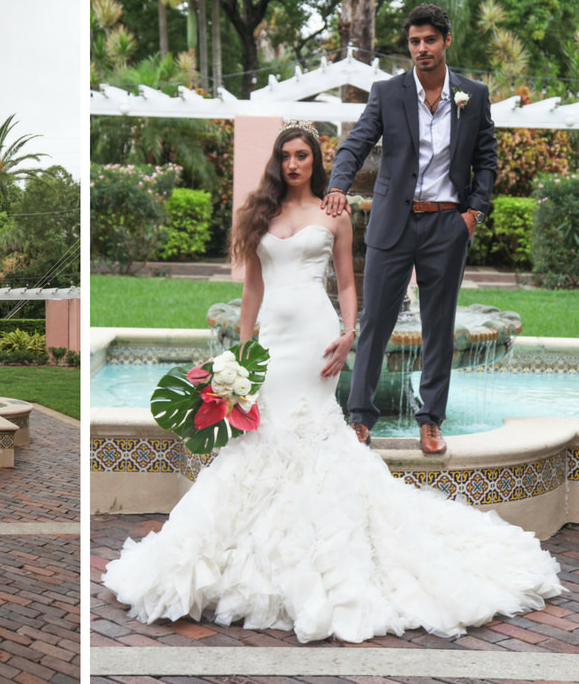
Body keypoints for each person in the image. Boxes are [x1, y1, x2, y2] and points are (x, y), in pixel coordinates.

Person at [101, 122, 560, 644]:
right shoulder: (259, 214)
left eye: (302, 156)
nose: (294, 164)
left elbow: (345, 281)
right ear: (277, 161)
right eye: (286, 156)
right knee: (260, 440)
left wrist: (349, 335)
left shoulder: (334, 213)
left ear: (315, 163)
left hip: (317, 342)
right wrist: (241, 354)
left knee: (313, 436)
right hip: (272, 343)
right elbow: (251, 289)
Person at [323, 4, 498, 455]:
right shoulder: (388, 92)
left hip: (447, 224)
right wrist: (339, 183)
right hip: (392, 225)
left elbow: (487, 161)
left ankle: (431, 421)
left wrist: (472, 215)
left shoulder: (473, 96)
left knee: (438, 327)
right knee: (376, 321)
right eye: (414, 42)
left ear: (446, 41)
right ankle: (360, 418)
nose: (421, 49)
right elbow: (357, 141)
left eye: (429, 40)